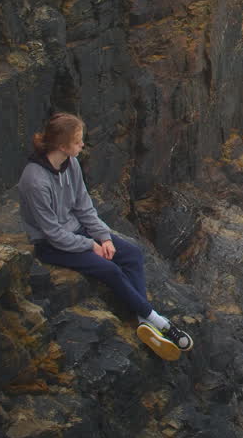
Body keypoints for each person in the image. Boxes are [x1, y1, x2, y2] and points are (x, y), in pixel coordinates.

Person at [17, 112, 192, 353]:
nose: (82, 145)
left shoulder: (71, 164)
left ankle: (143, 323)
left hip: (75, 231)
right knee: (110, 269)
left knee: (131, 253)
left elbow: (83, 205)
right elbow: (52, 233)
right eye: (78, 141)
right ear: (62, 145)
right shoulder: (35, 181)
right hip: (50, 245)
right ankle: (158, 321)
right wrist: (90, 246)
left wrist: (104, 237)